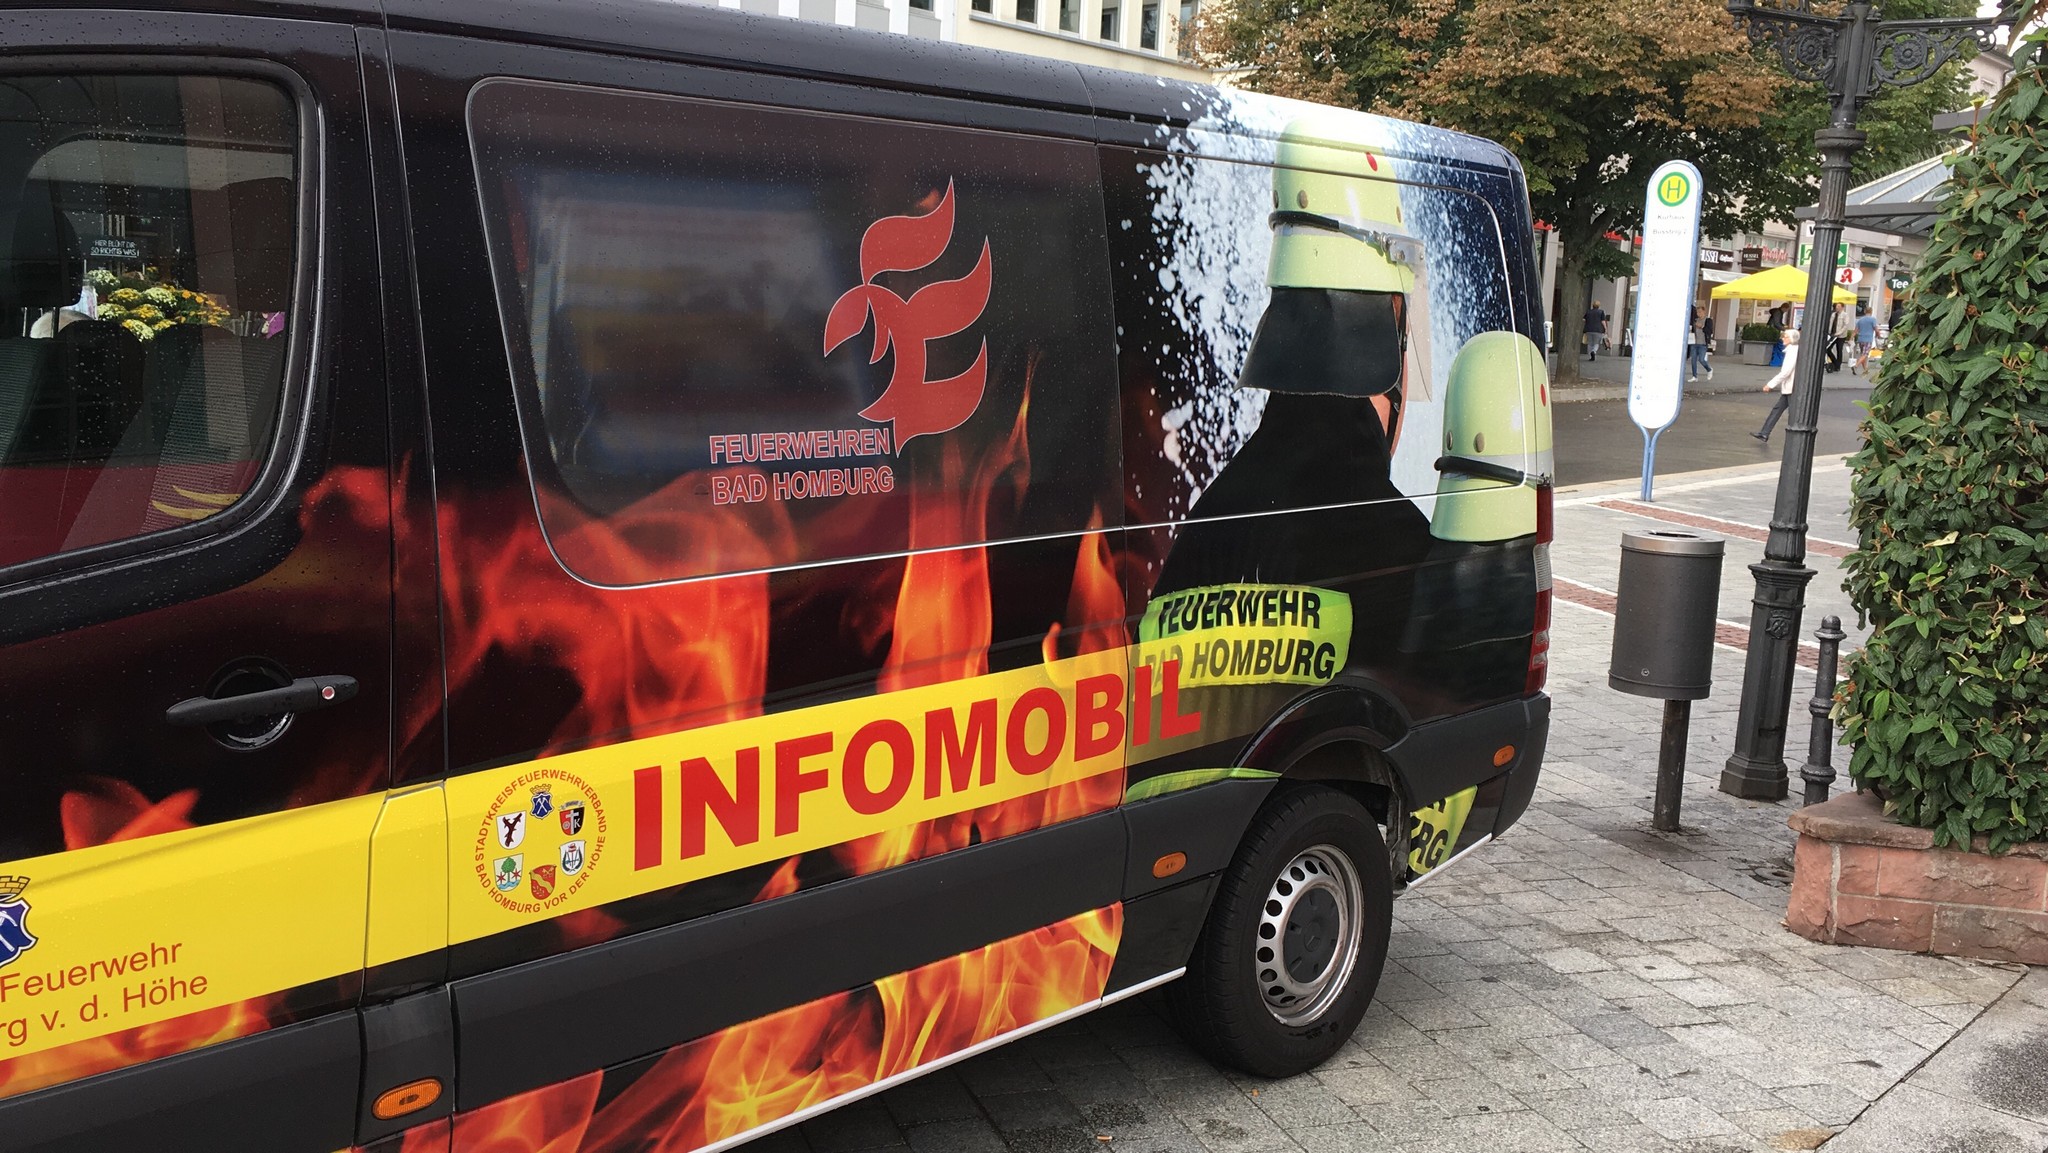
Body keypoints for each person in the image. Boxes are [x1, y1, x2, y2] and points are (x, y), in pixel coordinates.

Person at [1751, 328, 1799, 444]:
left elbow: (1785, 372)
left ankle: (1794, 437)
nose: (1782, 339)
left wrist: (1770, 384)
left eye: (1785, 337)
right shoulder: (1793, 350)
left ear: (1791, 339)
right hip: (1790, 387)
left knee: (1792, 414)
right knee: (1777, 410)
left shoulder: (1792, 351)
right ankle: (1764, 433)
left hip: (1792, 387)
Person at [1686, 307, 1710, 382]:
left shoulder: (1708, 320)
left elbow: (1709, 331)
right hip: (1694, 342)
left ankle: (1709, 369)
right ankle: (1694, 376)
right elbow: (1692, 330)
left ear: (1704, 312)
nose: (1699, 314)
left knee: (1701, 359)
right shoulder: (1695, 320)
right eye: (1697, 312)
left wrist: (1702, 326)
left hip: (1703, 343)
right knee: (1693, 360)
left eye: (1700, 312)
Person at [1853, 305, 1878, 375]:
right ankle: (1856, 365)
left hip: (1860, 339)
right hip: (1868, 339)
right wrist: (1878, 335)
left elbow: (1855, 330)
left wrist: (1851, 338)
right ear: (1871, 312)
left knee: (1863, 355)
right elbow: (1876, 329)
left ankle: (1865, 369)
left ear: (1864, 311)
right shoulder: (1873, 319)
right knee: (1865, 354)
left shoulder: (1860, 320)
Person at [1827, 305, 1852, 372]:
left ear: (1842, 307)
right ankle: (1835, 362)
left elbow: (1845, 326)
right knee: (1828, 348)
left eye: (1838, 306)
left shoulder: (1845, 315)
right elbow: (1830, 323)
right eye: (1836, 306)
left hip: (1841, 336)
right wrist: (1829, 332)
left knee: (1839, 349)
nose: (1837, 308)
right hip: (1832, 334)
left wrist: (1839, 333)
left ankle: (1838, 366)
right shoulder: (1833, 314)